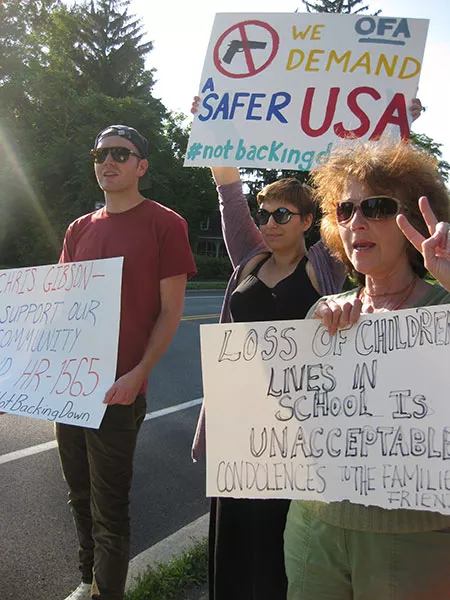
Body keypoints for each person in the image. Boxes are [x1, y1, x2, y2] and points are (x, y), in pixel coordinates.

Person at [190, 97, 423, 600]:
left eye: (282, 213)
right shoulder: (248, 261)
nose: (269, 221)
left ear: (308, 221)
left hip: (304, 436)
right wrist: (213, 123)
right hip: (242, 436)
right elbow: (230, 194)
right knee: (236, 552)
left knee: (283, 556)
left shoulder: (324, 267)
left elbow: (360, 201)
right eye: (264, 213)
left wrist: (392, 135)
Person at [284, 139, 450, 600]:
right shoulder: (322, 310)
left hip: (413, 541)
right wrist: (312, 342)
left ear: (414, 221)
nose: (357, 221)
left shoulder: (444, 306)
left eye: (376, 207)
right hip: (313, 530)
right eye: (345, 209)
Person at [57, 125, 196, 600]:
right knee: (78, 496)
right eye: (100, 153)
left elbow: (171, 310)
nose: (107, 161)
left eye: (121, 153)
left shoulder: (166, 223)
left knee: (109, 508)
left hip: (119, 392)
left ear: (142, 166)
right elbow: (61, 307)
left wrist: (138, 374)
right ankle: (86, 578)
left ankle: (107, 594)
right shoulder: (79, 229)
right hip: (69, 390)